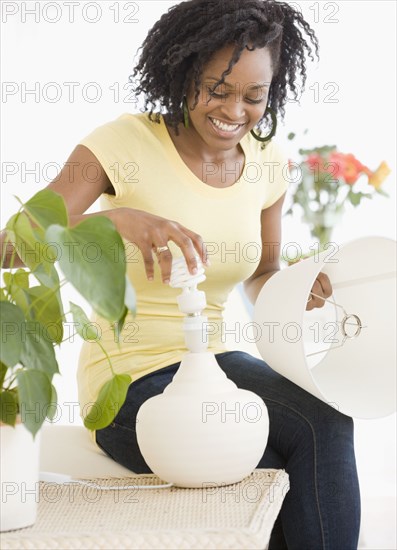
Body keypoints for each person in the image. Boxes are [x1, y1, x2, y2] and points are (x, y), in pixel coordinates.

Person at [1, 1, 361, 548]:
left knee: (328, 427)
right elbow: (13, 247)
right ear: (184, 71)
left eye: (253, 96)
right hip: (130, 379)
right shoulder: (123, 143)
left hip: (216, 361)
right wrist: (114, 220)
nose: (234, 110)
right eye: (217, 88)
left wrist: (295, 286)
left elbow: (261, 272)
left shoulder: (267, 162)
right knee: (249, 457)